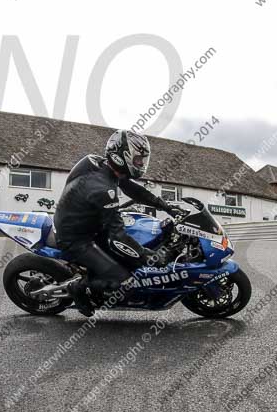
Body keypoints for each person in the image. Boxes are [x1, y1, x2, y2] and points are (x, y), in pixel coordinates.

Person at [54, 129, 184, 317]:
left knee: (130, 253)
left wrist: (166, 206)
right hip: (76, 238)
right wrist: (150, 257)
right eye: (138, 159)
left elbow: (133, 189)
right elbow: (118, 238)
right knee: (125, 281)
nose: (141, 164)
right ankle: (78, 287)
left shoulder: (96, 162)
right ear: (122, 156)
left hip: (86, 221)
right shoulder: (104, 191)